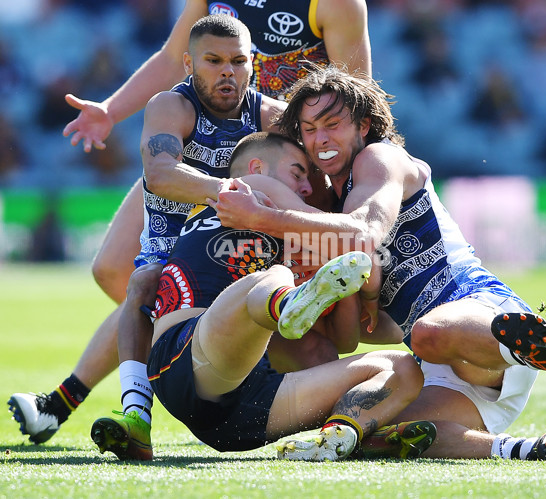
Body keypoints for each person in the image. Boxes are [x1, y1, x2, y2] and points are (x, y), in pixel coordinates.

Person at [8, 0, 372, 444]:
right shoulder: (173, 106)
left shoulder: (330, 13)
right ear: (194, 64)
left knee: (315, 326)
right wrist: (111, 110)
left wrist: (357, 199)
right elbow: (170, 67)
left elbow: (354, 98)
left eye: (238, 61)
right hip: (203, 196)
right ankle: (115, 396)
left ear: (251, 63)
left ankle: (359, 412)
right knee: (122, 276)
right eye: (215, 61)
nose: (227, 70)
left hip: (261, 181)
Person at [209, 65, 546, 461]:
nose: (320, 139)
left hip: (478, 315)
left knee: (428, 331)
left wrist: (263, 218)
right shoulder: (329, 206)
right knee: (378, 434)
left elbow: (363, 233)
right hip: (446, 366)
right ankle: (531, 449)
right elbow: (374, 324)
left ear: (364, 125)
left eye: (332, 124)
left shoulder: (379, 157)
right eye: (308, 129)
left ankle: (524, 346)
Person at [90, 131, 435, 461]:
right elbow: (357, 243)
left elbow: (344, 343)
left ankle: (343, 434)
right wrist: (365, 285)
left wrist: (345, 286)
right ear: (256, 168)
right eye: (298, 172)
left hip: (240, 419)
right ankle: (289, 303)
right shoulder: (254, 188)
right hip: (184, 356)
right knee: (274, 275)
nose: (307, 186)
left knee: (401, 369)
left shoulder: (288, 236)